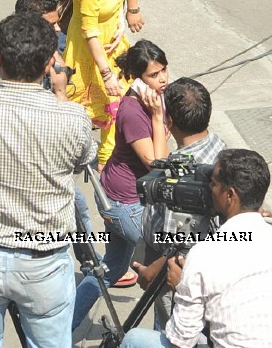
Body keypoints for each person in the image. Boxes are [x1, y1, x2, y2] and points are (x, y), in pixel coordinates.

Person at [0, 12, 95, 346]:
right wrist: (61, 94)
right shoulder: (72, 117)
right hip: (44, 261)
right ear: (50, 63)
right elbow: (82, 162)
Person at [124, 149, 272, 348]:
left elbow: (181, 341)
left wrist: (182, 287)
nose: (208, 189)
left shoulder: (204, 255)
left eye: (213, 184)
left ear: (230, 195)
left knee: (133, 338)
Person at [72, 40, 170, 329]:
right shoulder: (134, 111)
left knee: (112, 267)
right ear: (138, 78)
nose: (162, 79)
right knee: (164, 268)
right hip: (126, 204)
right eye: (154, 75)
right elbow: (157, 165)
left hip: (117, 197)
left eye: (164, 71)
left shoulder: (154, 97)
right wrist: (157, 118)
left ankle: (63, 329)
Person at [134, 76, 226, 328]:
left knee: (169, 331)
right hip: (206, 262)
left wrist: (152, 271)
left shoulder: (178, 173)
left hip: (173, 274)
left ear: (170, 121)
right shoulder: (219, 147)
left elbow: (179, 243)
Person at [62, 0, 132, 166]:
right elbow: (89, 32)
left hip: (113, 46)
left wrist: (122, 22)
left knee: (117, 104)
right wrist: (105, 74)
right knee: (89, 109)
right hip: (90, 53)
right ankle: (85, 160)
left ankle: (107, 158)